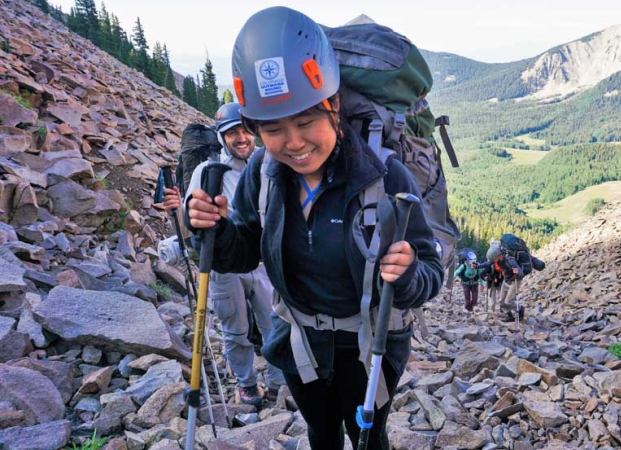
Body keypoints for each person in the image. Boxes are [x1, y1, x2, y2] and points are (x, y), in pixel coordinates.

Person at [185, 7, 442, 450]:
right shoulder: (262, 174)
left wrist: (408, 271)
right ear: (256, 130)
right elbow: (245, 251)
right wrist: (211, 230)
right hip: (299, 338)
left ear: (334, 106)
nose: (295, 142)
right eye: (274, 129)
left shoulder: (385, 177)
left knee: (367, 437)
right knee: (321, 434)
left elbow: (430, 274)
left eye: (305, 122)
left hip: (371, 343)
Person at [161, 102, 283, 407]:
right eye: (232, 133)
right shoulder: (207, 172)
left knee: (275, 325)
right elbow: (192, 222)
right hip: (223, 267)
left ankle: (280, 384)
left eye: (245, 130)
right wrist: (181, 216)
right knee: (235, 328)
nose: (240, 138)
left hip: (263, 261)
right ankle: (247, 384)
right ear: (221, 137)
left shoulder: (266, 165)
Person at [487, 246, 525, 322]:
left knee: (508, 301)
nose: (493, 261)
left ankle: (520, 309)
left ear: (498, 256)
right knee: (501, 301)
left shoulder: (510, 261)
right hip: (506, 280)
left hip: (515, 281)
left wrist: (516, 273)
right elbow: (487, 264)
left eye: (494, 259)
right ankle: (510, 316)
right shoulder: (497, 261)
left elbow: (521, 273)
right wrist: (477, 266)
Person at [481, 246, 505, 313]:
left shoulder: (502, 264)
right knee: (492, 301)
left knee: (502, 299)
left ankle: (502, 311)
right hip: (491, 284)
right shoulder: (490, 266)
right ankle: (491, 312)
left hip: (500, 283)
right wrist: (485, 278)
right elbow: (482, 274)